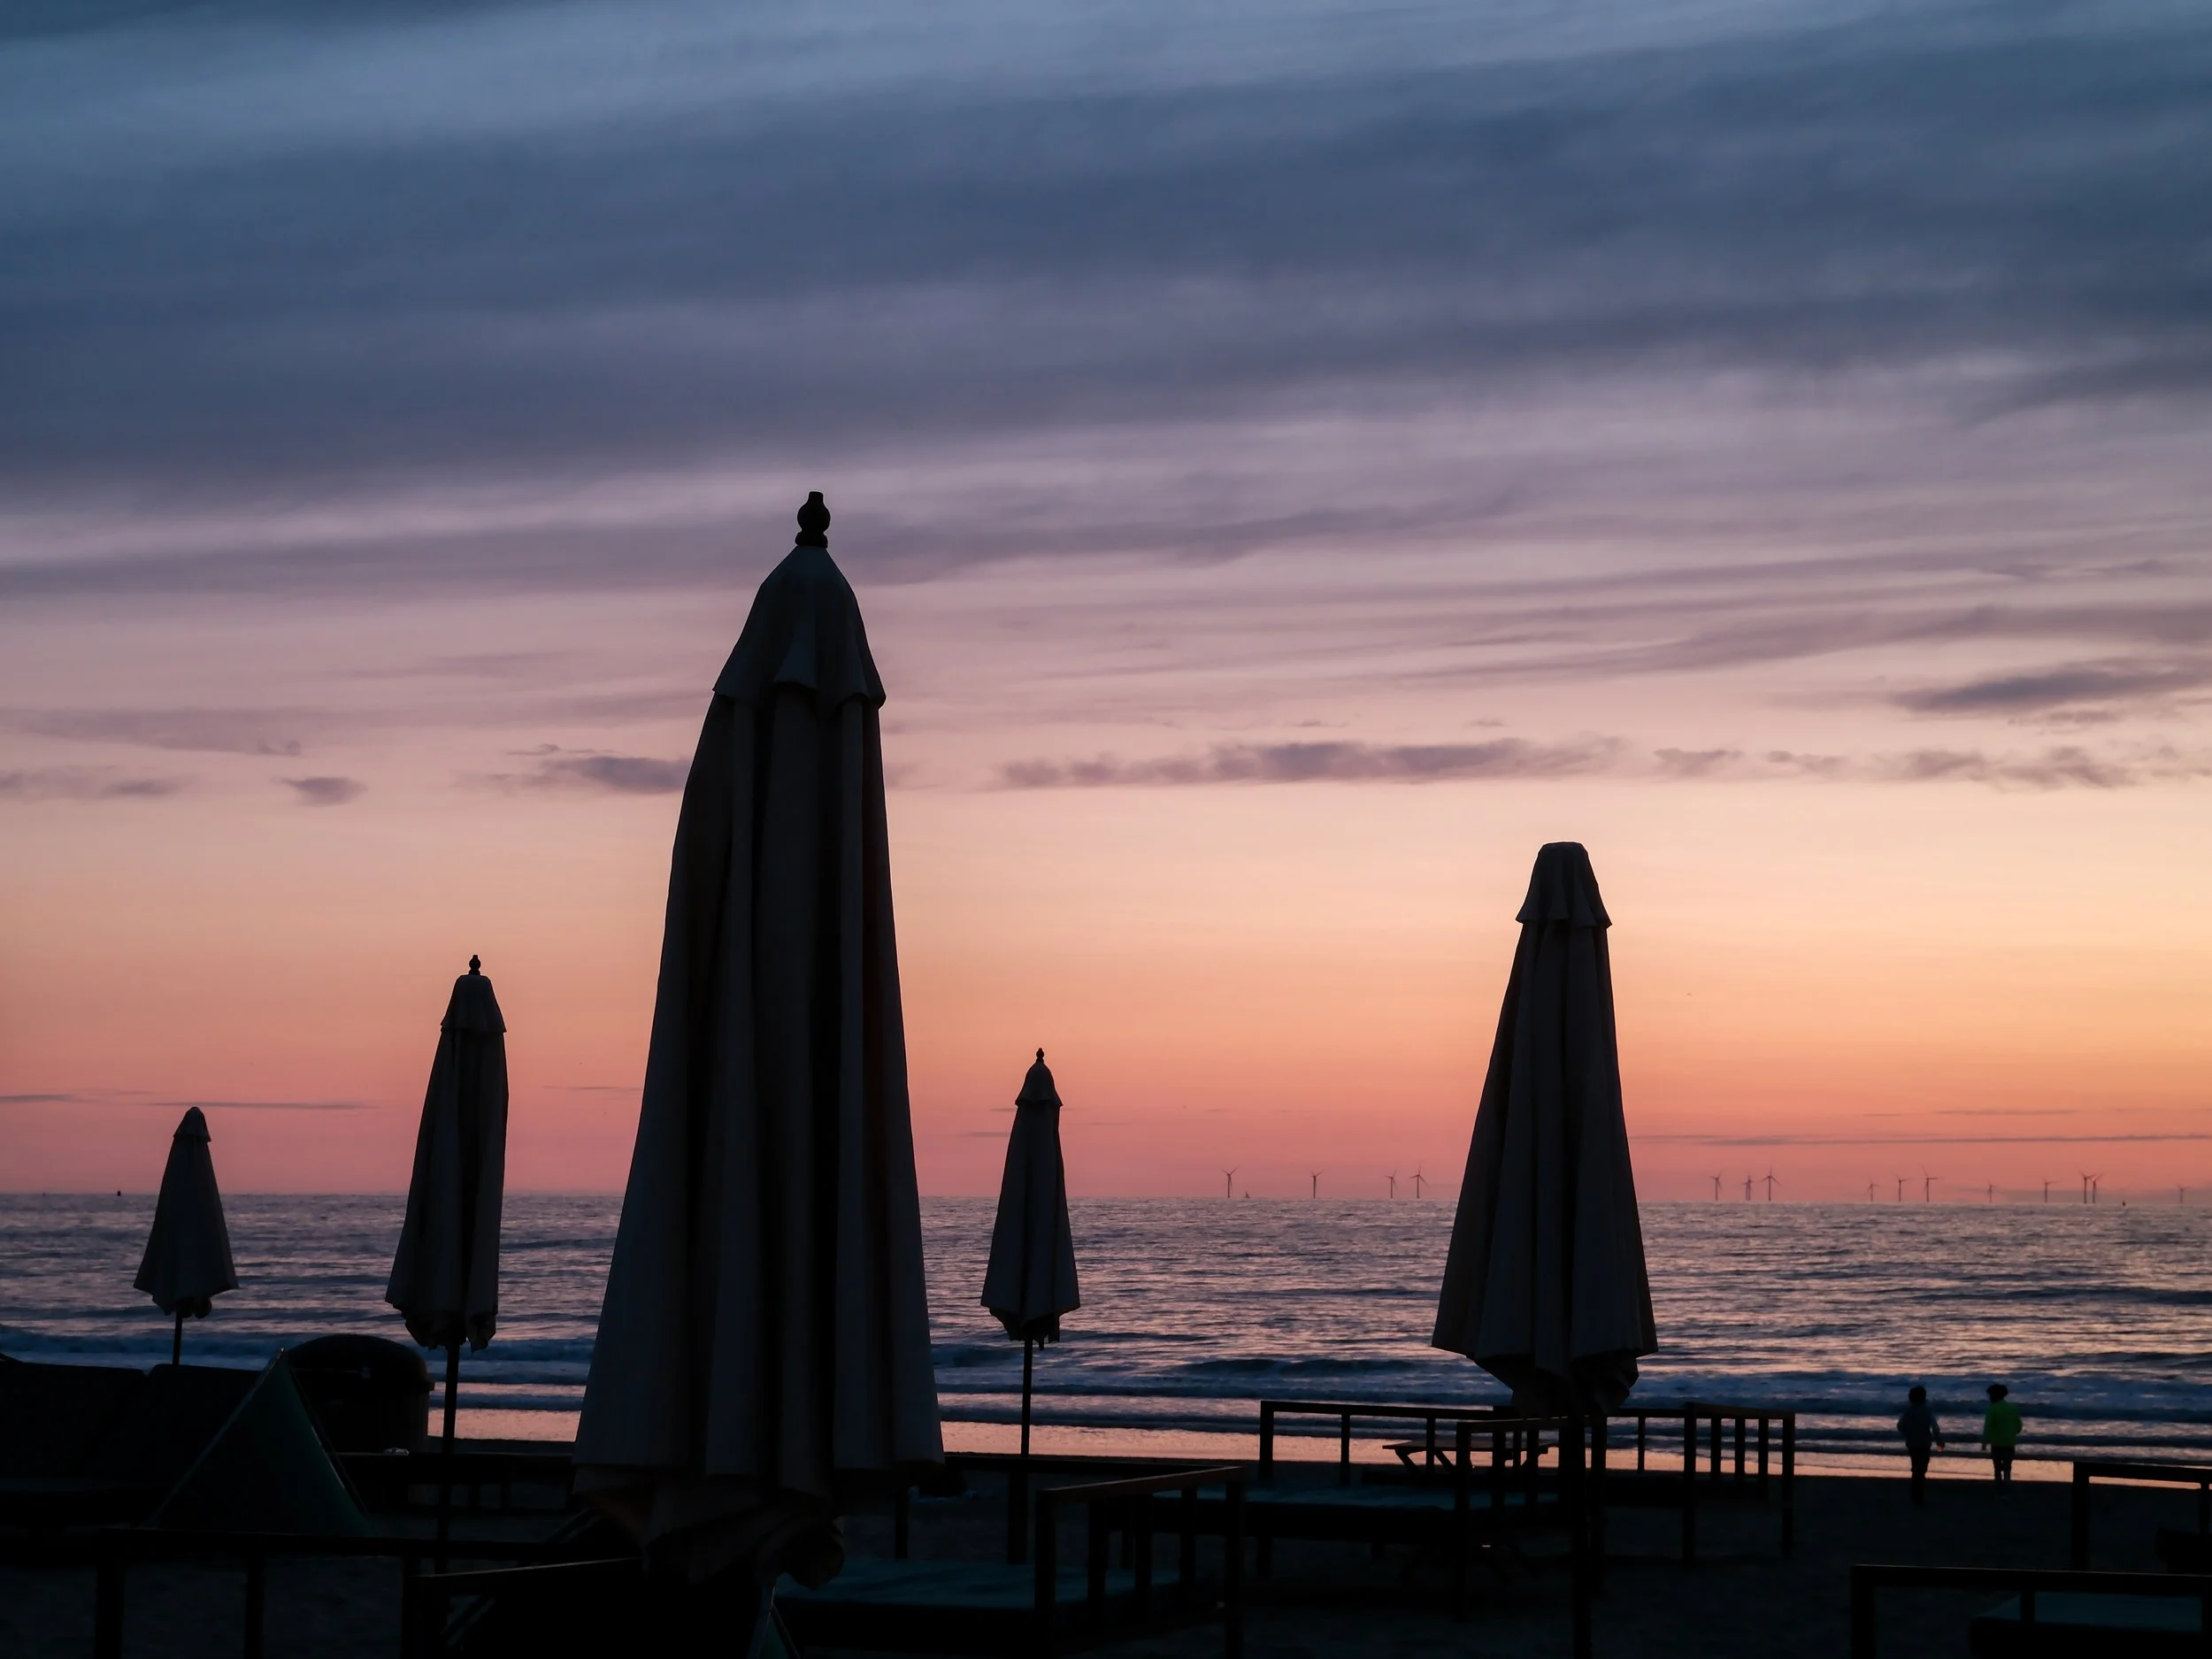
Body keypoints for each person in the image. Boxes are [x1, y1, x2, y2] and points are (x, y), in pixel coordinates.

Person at [1897, 1386, 1945, 1505]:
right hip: (1924, 1442)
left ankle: (1915, 1494)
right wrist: (1939, 1440)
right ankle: (1919, 1495)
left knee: (1915, 1467)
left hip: (1912, 1442)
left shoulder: (1908, 1411)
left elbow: (1900, 1426)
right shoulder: (1927, 1411)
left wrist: (1908, 1434)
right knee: (1922, 1468)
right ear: (1924, 1398)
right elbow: (1935, 1427)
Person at [1981, 1383, 2023, 1485]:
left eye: (1990, 1395)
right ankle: (2007, 1484)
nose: (1989, 1398)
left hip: (1997, 1443)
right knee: (2007, 1467)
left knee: (1997, 1467)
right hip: (2010, 1442)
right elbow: (2019, 1426)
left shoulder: (1992, 1409)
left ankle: (1999, 1486)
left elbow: (1988, 1427)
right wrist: (2011, 1433)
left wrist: (1985, 1442)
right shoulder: (2012, 1408)